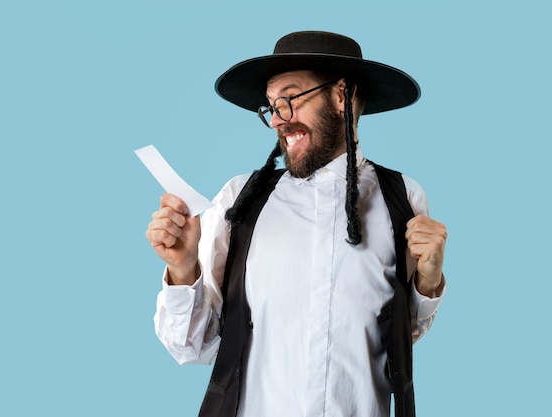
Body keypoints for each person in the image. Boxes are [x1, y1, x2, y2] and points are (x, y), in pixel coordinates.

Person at [147, 31, 447, 417]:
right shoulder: (240, 202)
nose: (277, 120)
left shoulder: (402, 197)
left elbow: (399, 339)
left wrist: (428, 281)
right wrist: (183, 267)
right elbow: (193, 348)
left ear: (342, 97)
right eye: (271, 106)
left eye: (289, 99)